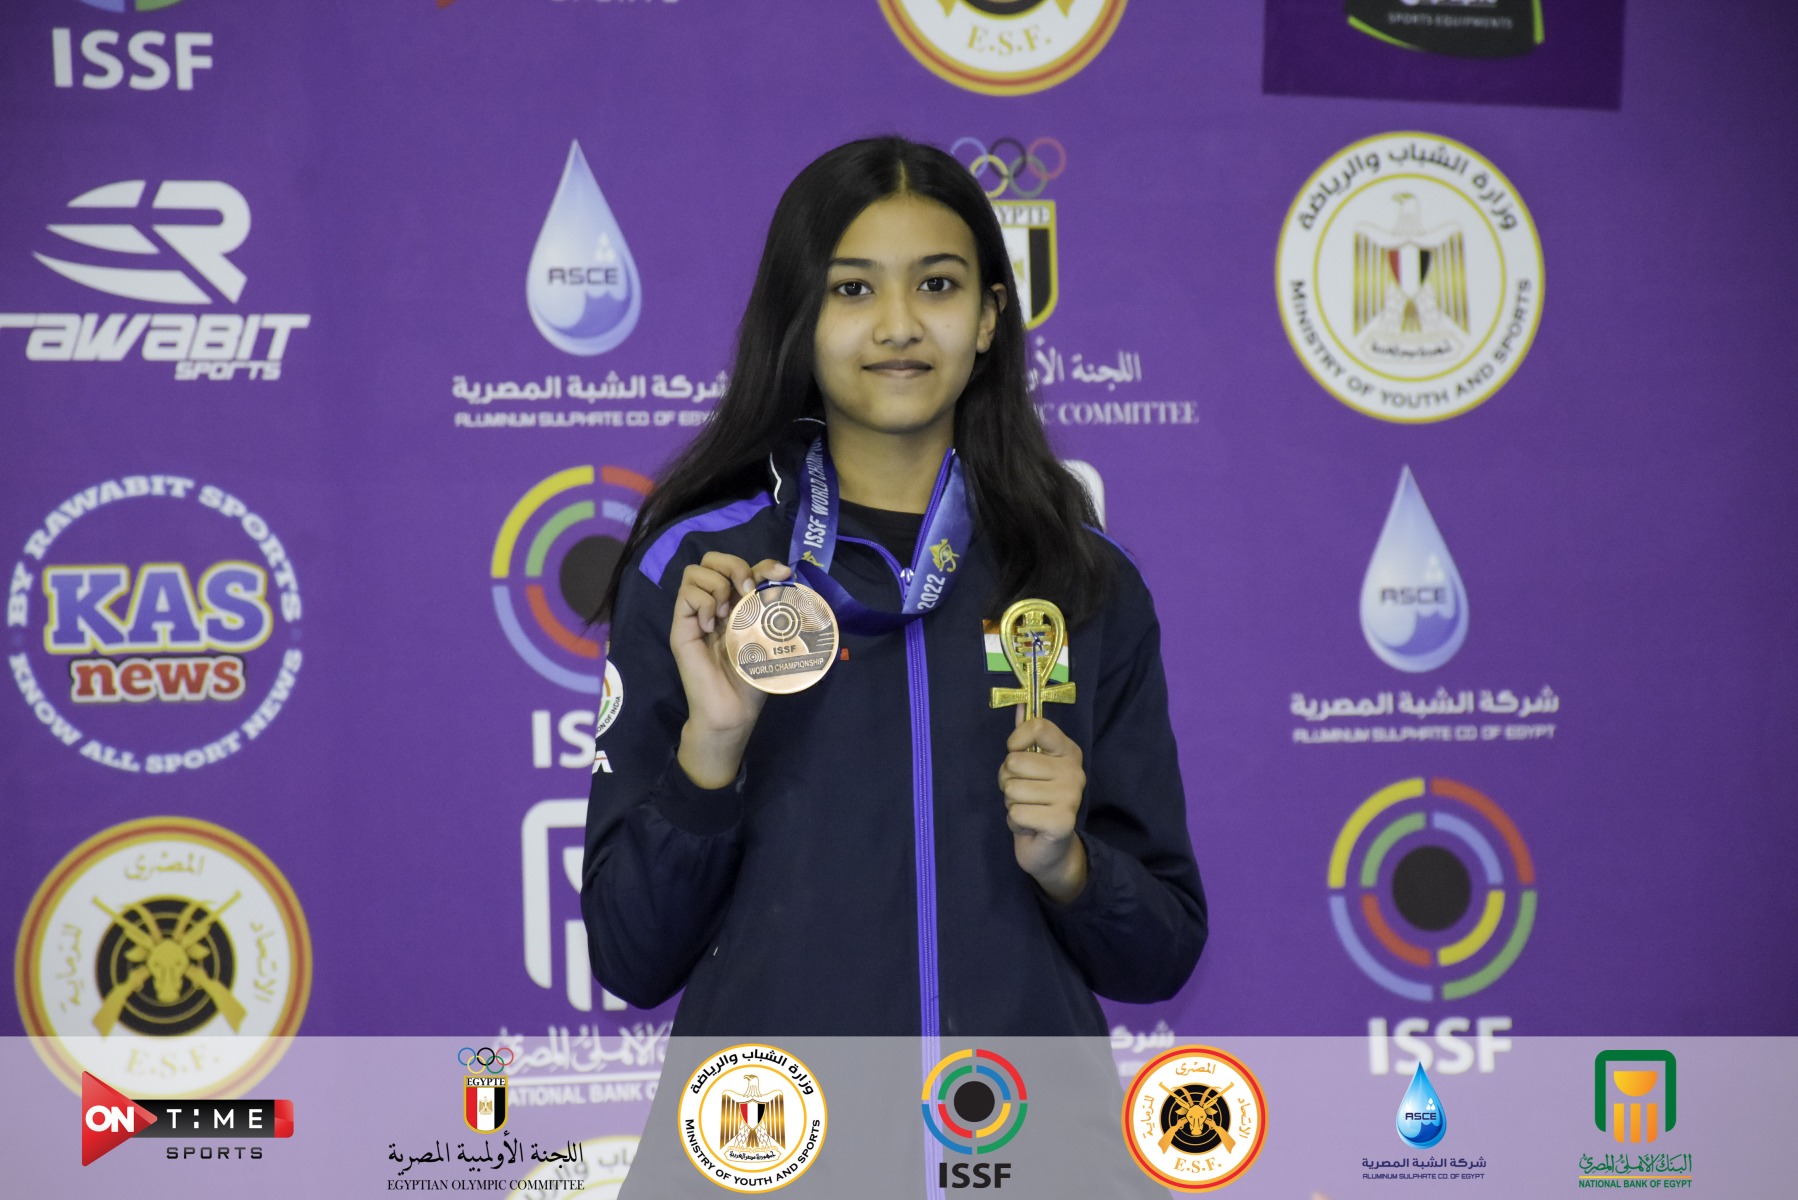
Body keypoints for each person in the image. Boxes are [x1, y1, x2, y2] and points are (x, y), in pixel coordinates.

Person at [580, 136, 1205, 1041]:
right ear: (799, 315)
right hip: (777, 1120)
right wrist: (710, 753)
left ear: (989, 318)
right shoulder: (701, 577)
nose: (900, 325)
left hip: (1015, 1116)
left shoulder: (1083, 579)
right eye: (853, 289)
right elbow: (629, 957)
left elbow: (1164, 952)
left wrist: (1070, 866)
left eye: (938, 285)